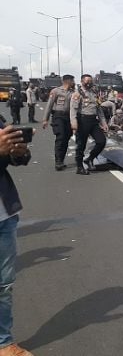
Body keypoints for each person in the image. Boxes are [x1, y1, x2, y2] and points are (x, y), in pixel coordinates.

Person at [0, 123, 34, 356]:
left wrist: (19, 153)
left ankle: (4, 342)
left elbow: (14, 159)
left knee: (3, 285)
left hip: (4, 216)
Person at [71, 74, 108, 175]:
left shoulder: (94, 93)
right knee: (81, 145)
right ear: (82, 81)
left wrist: (104, 122)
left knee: (101, 141)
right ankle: (79, 167)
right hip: (82, 121)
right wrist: (74, 123)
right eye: (87, 81)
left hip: (93, 121)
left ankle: (89, 159)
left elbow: (99, 109)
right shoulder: (77, 94)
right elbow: (73, 110)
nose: (89, 83)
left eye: (91, 81)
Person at [42, 74, 75, 171]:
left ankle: (61, 159)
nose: (74, 82)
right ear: (68, 81)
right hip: (58, 116)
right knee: (60, 137)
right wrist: (45, 119)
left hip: (68, 117)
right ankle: (58, 161)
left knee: (66, 138)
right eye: (73, 80)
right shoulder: (56, 91)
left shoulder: (73, 92)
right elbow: (49, 105)